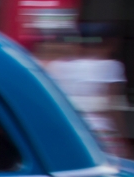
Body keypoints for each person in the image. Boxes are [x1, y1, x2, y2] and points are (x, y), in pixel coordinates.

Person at [46, 29, 127, 157]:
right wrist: (122, 137)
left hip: (68, 129)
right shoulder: (111, 66)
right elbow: (113, 106)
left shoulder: (53, 66)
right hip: (100, 130)